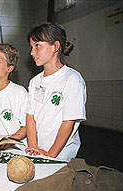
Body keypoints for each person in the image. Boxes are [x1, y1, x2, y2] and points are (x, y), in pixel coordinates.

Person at [25, 22, 86, 161]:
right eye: (31, 47)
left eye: (37, 46)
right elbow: (30, 117)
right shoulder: (34, 82)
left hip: (60, 153)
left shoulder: (71, 79)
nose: (32, 52)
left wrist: (51, 154)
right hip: (39, 150)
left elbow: (68, 122)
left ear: (56, 47)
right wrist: (34, 148)